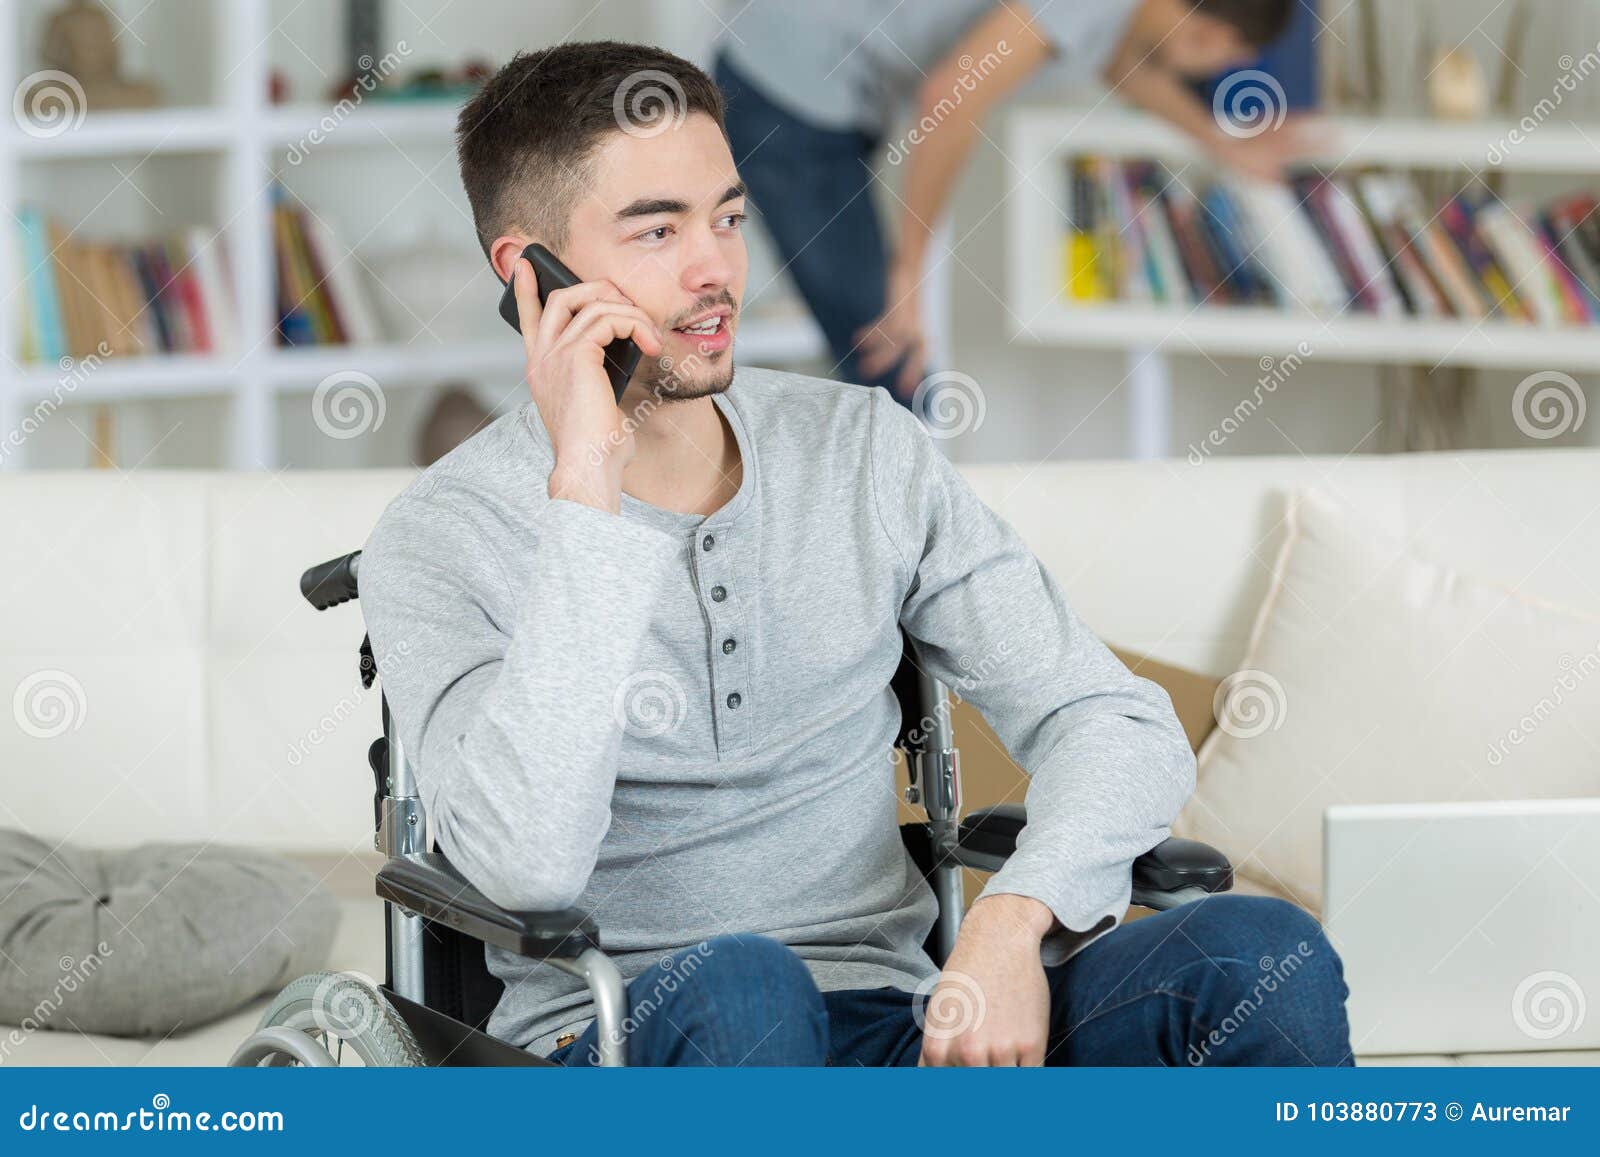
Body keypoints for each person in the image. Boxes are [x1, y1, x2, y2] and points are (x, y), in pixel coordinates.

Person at [359, 39, 1351, 1067]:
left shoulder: (862, 450)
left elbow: (1112, 719)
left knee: (1260, 953)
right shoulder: (439, 539)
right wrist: (587, 494)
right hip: (618, 1041)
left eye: (728, 218)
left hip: (897, 1027)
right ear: (530, 275)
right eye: (658, 229)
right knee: (747, 986)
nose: (717, 269)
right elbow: (526, 865)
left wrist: (1011, 922)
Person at [713, 0, 1304, 406]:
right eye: (1228, 59)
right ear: (1214, 35)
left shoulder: (1117, 17)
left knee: (887, 376)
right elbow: (948, 98)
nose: (1222, 70)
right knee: (890, 365)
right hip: (788, 100)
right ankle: (900, 572)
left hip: (813, 95)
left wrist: (1220, 142)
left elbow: (1123, 68)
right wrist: (909, 275)